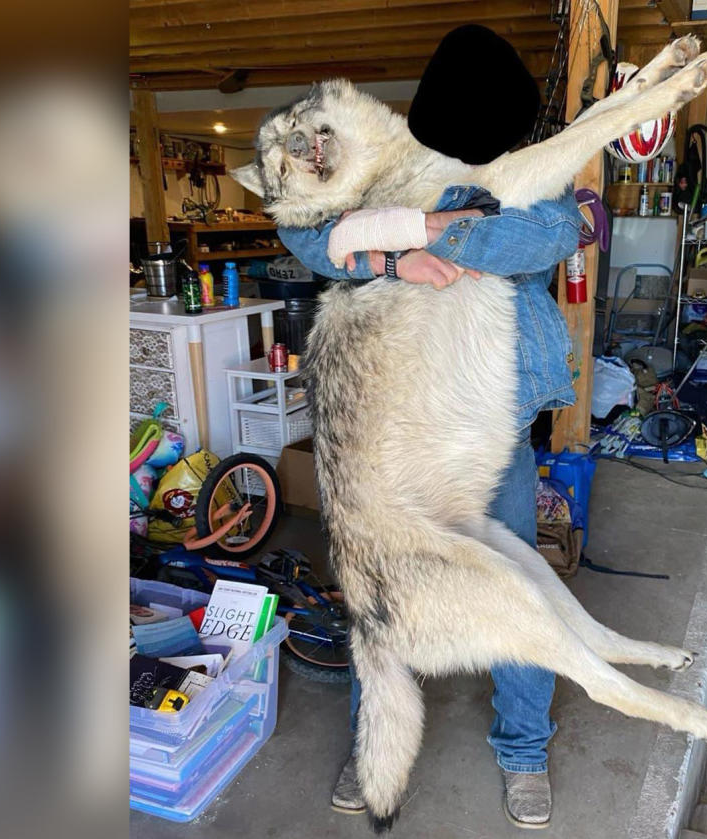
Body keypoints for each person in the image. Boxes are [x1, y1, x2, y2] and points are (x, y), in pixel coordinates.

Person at [276, 25, 583, 829]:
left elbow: (547, 234)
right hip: (397, 433)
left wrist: (402, 228)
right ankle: (370, 735)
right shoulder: (388, 164)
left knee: (520, 583)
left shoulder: (518, 178)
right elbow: (298, 228)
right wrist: (391, 258)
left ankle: (523, 747)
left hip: (488, 433)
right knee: (378, 591)